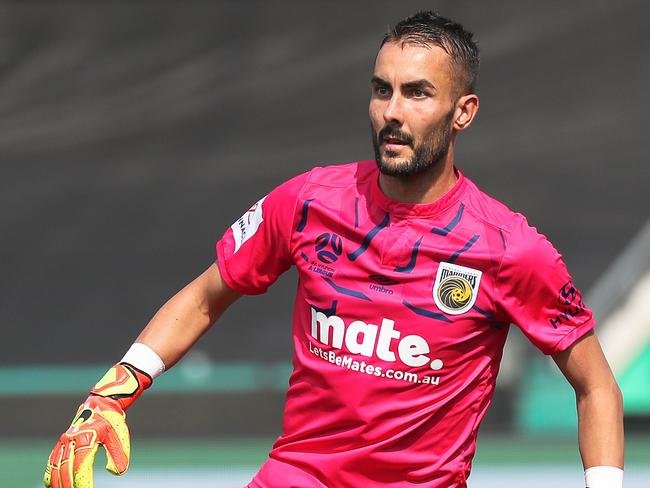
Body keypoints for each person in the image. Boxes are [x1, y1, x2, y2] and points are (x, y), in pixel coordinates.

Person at [44, 11, 624, 488]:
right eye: (382, 91)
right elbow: (204, 296)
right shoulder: (309, 200)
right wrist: (113, 393)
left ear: (462, 113)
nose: (392, 113)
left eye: (418, 94)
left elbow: (596, 386)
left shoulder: (510, 249)